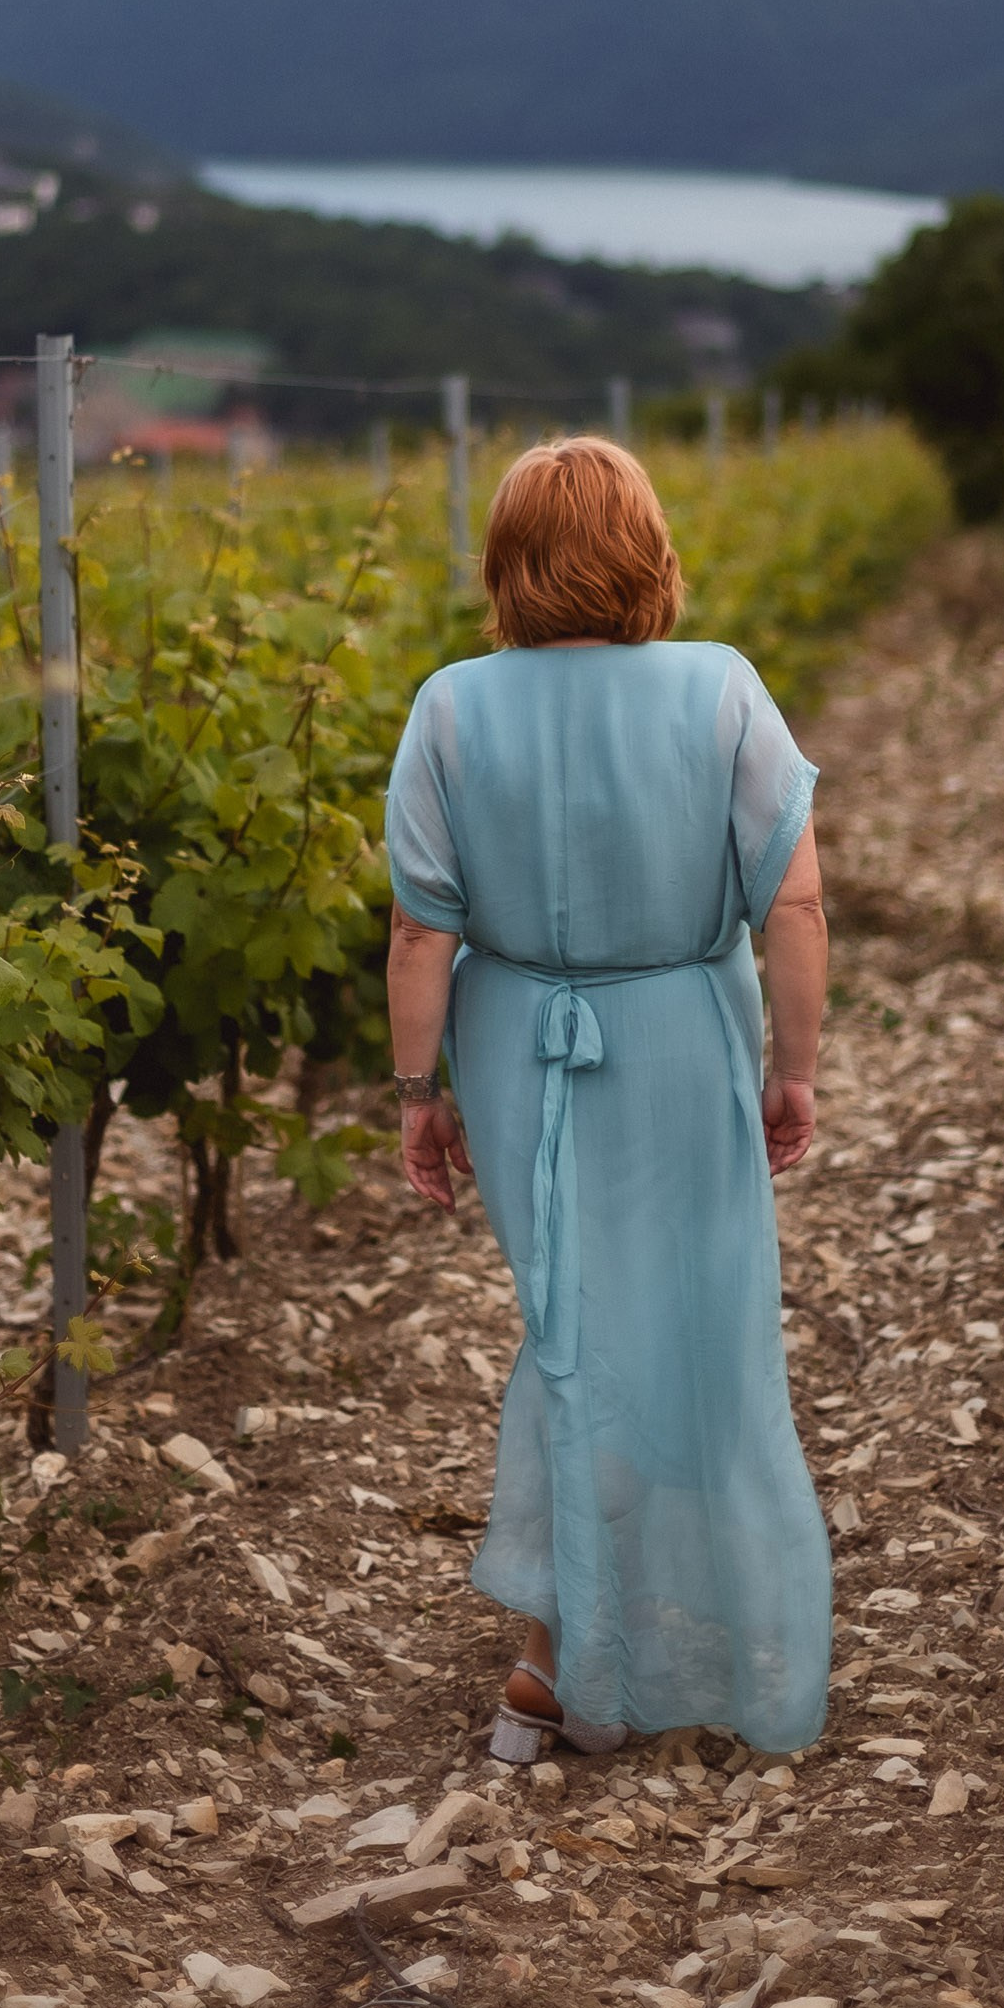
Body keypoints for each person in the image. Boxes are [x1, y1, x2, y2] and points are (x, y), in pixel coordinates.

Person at [384, 433, 832, 1766]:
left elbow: (420, 936)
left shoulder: (452, 707)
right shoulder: (721, 689)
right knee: (692, 1326)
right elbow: (794, 901)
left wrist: (418, 1093)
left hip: (519, 1043)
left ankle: (568, 1659)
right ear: (646, 554)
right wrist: (792, 1066)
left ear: (507, 564)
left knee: (574, 1331)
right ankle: (609, 1647)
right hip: (683, 1034)